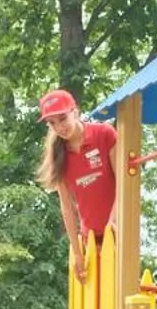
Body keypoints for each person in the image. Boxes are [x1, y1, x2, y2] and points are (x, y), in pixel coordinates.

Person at [37, 89, 119, 281]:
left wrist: (113, 221)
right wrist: (76, 252)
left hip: (118, 231)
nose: (60, 127)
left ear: (75, 111)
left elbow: (124, 183)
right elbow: (67, 207)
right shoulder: (59, 156)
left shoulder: (104, 134)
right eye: (52, 123)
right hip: (89, 240)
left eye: (63, 118)